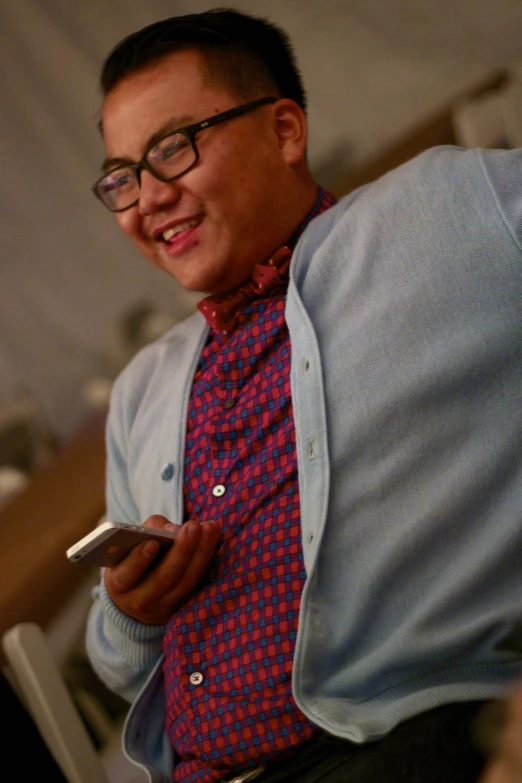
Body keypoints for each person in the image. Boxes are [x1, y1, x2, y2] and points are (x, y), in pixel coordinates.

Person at [85, 8, 522, 783]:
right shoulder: (140, 393)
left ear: (286, 130)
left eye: (173, 148)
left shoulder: (449, 210)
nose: (147, 198)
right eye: (123, 176)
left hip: (407, 739)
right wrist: (133, 610)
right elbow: (121, 670)